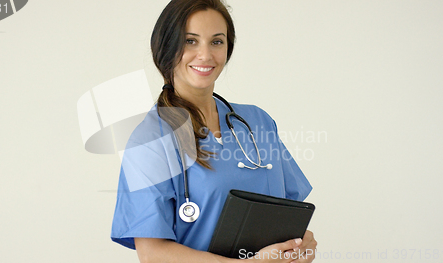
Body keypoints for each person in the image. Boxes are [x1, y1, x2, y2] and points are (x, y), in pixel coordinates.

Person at [111, 0, 317, 262]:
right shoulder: (150, 140)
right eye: (190, 41)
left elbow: (285, 214)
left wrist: (300, 244)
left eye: (217, 42)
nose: (206, 55)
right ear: (166, 47)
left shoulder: (257, 122)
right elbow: (153, 254)